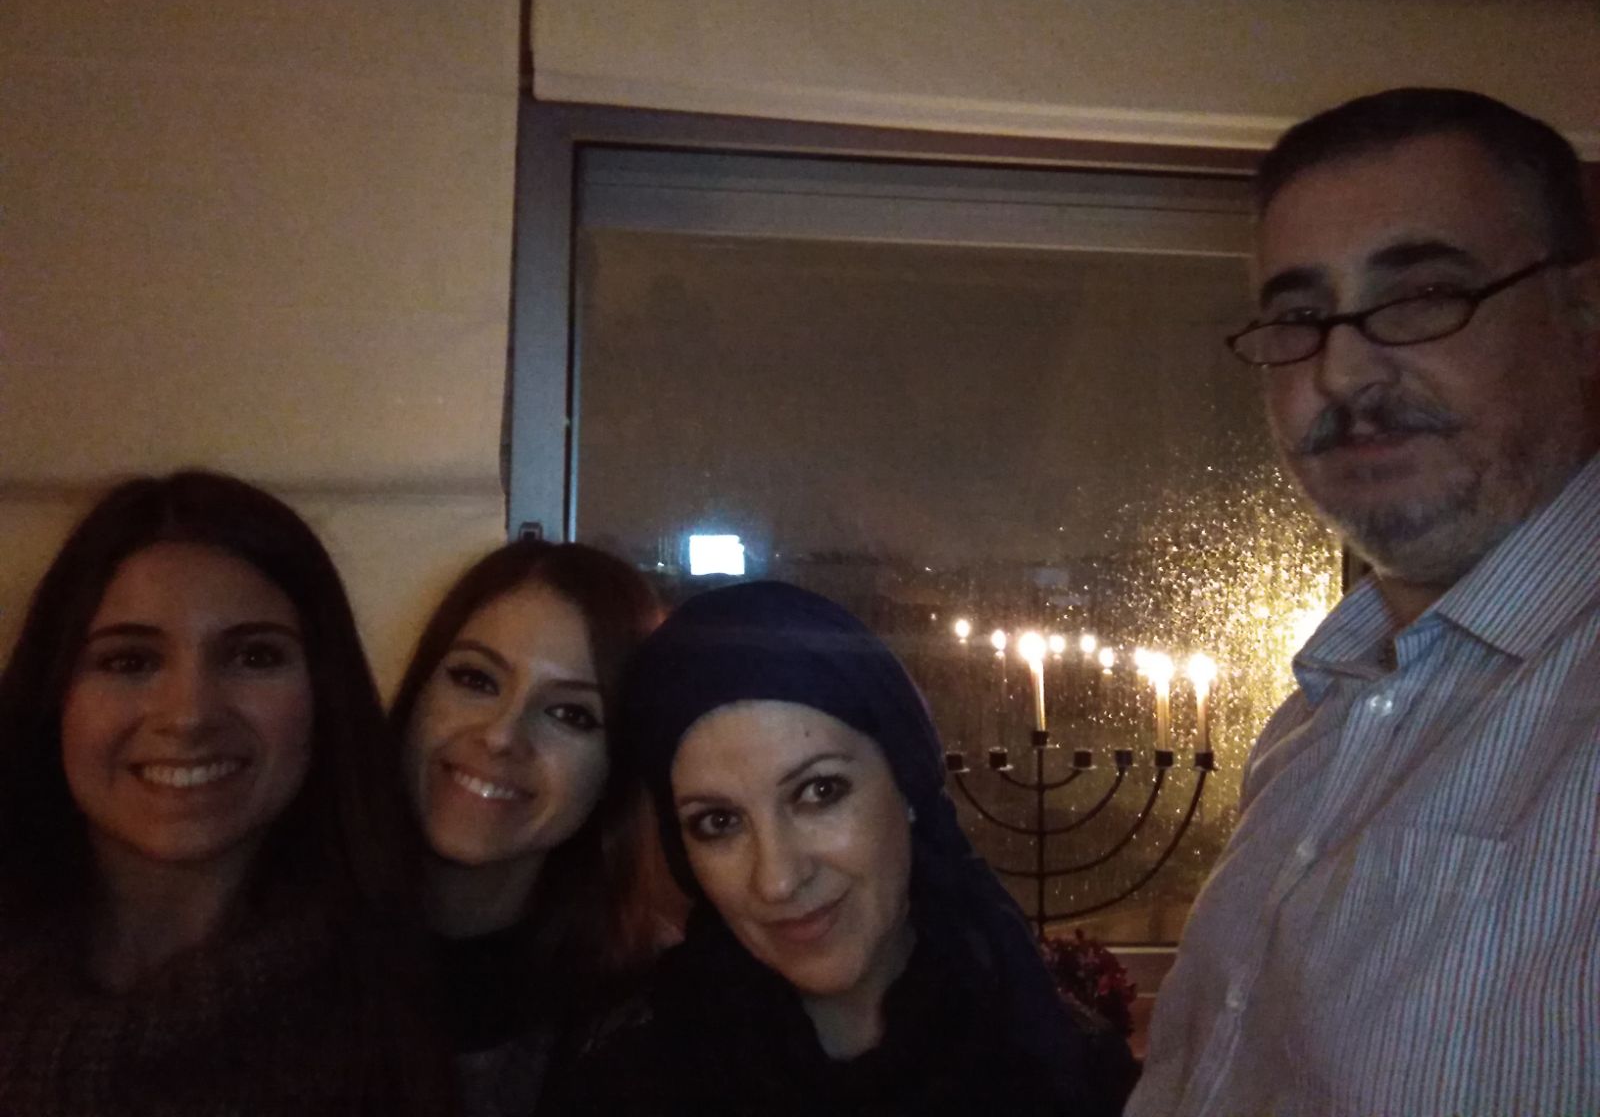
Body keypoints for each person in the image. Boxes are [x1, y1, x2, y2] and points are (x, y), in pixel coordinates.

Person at [1130, 88, 1600, 1116]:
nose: (1341, 370)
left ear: (1580, 314)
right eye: (1298, 318)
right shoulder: (1314, 719)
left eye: (1423, 294)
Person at [551, 580, 1134, 1117]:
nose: (777, 879)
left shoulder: (1068, 1074)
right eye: (719, 822)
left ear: (907, 784)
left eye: (819, 792)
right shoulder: (621, 1086)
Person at [0, 470, 454, 1115]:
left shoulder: (399, 1010)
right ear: (54, 696)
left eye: (254, 657)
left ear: (322, 696)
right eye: (130, 662)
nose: (189, 715)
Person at [389, 538, 670, 1117]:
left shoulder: (656, 1010)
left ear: (616, 772)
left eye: (571, 713)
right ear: (418, 692)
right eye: (476, 680)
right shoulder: (270, 951)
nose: (501, 736)